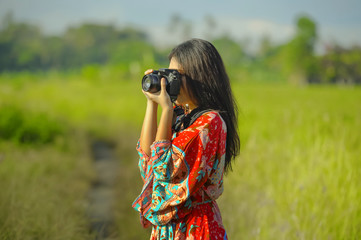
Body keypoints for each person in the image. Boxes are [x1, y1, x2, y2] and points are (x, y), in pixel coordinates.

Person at [132, 38, 240, 240]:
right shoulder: (179, 115)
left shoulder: (210, 122)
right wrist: (152, 104)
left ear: (199, 77)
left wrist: (165, 109)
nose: (171, 82)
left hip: (196, 228)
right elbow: (147, 163)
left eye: (177, 76)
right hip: (168, 230)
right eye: (169, 74)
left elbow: (165, 170)